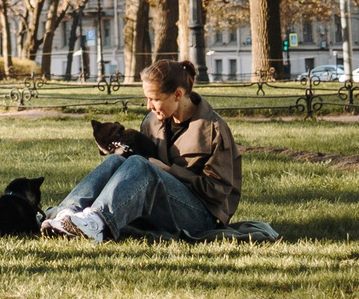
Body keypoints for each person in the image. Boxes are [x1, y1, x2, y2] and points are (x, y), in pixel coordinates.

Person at [41, 60, 241, 243]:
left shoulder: (213, 129)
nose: (149, 106)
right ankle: (65, 213)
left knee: (141, 165)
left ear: (178, 95)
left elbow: (218, 191)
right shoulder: (152, 121)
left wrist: (169, 171)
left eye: (154, 99)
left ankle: (96, 222)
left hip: (201, 216)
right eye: (147, 99)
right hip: (160, 204)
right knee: (116, 161)